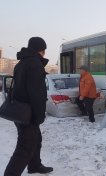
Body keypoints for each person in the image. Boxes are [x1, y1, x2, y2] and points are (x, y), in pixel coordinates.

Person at [4, 37, 53, 175]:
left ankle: (34, 165)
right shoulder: (34, 64)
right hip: (28, 113)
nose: (44, 53)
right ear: (40, 50)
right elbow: (36, 94)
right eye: (44, 50)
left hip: (20, 110)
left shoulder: (22, 63)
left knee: (36, 139)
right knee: (24, 148)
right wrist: (38, 116)